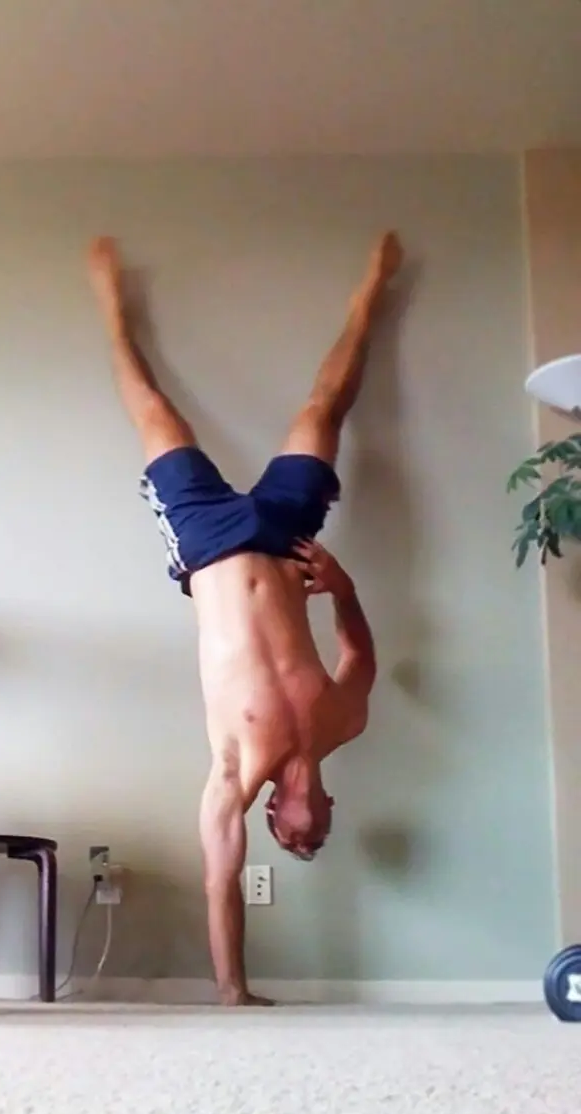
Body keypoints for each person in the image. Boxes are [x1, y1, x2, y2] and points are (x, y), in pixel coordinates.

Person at [87, 231, 403, 1006]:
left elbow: (218, 878)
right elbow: (361, 655)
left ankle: (113, 315)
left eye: (295, 841)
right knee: (323, 409)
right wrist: (342, 584)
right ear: (325, 808)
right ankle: (370, 295)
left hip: (205, 545)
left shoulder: (232, 771)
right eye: (316, 837)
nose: (306, 838)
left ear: (276, 815)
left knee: (157, 415)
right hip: (286, 538)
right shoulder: (341, 722)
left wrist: (233, 990)